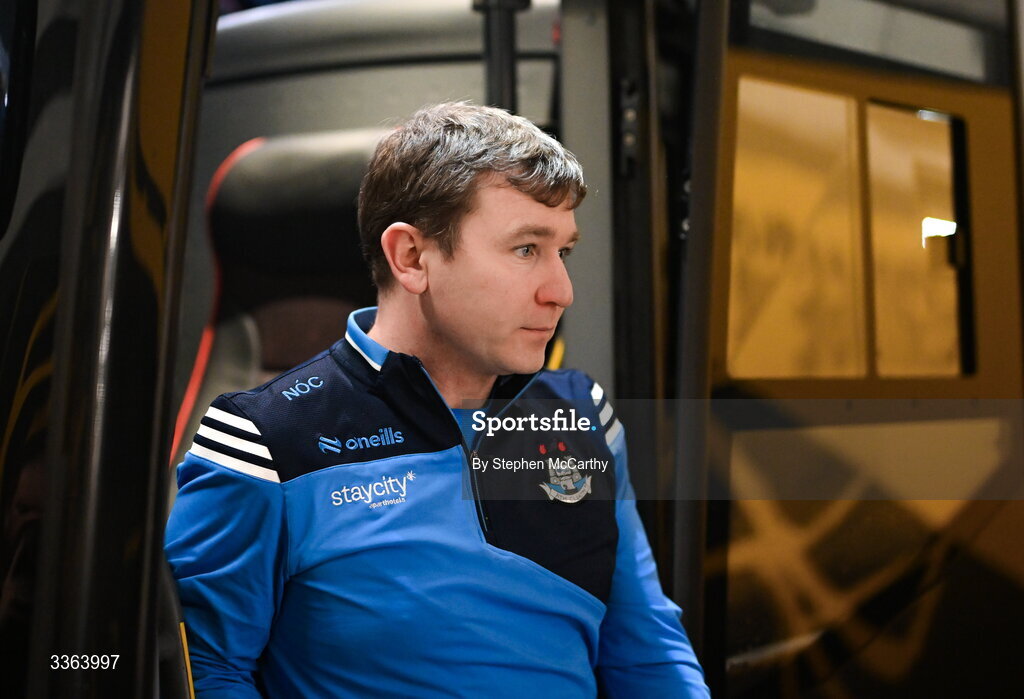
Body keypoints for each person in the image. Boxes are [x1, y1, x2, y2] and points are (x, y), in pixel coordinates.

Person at [165, 102, 709, 697]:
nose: (561, 291)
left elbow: (647, 652)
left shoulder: (584, 421)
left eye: (564, 252)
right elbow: (204, 674)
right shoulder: (263, 440)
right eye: (527, 248)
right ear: (412, 257)